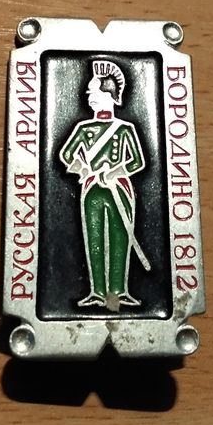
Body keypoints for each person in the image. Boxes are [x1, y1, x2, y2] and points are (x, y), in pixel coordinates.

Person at [59, 59, 147, 311]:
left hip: (119, 190)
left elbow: (138, 162)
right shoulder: (83, 128)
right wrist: (86, 170)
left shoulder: (124, 129)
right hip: (91, 190)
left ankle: (119, 291)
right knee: (94, 238)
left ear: (108, 95)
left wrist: (114, 172)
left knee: (120, 238)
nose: (88, 96)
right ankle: (97, 292)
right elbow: (66, 155)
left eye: (93, 92)